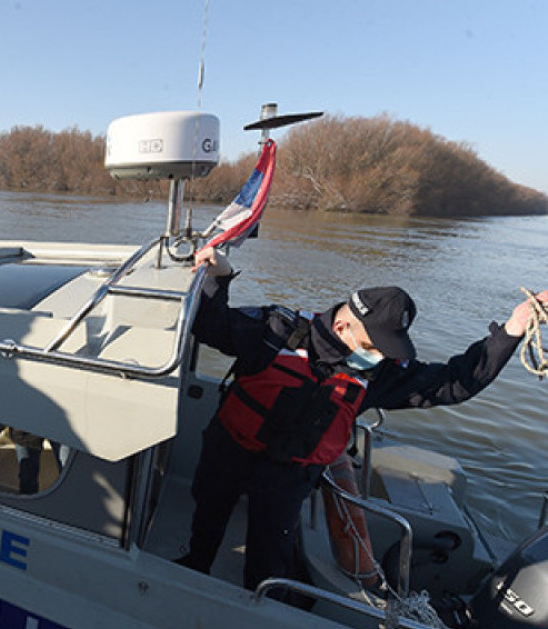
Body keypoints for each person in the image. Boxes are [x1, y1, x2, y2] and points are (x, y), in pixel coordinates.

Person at [180, 244, 548, 595]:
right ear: (343, 329)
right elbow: (210, 325)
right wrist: (220, 275)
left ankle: (259, 604)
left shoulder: (379, 374)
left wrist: (513, 329)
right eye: (375, 347)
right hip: (229, 450)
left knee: (269, 556)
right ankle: (195, 566)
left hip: (290, 477)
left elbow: (454, 384)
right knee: (207, 515)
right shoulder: (274, 330)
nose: (381, 357)